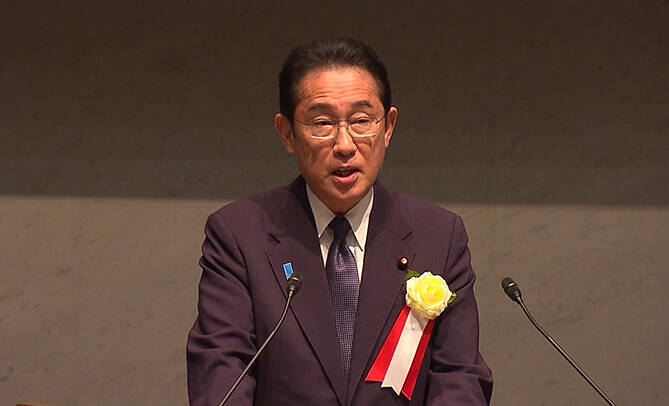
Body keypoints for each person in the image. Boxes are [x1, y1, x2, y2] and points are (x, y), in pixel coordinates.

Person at [186, 38, 492, 405]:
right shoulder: (239, 235)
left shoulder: (438, 236)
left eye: (361, 121)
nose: (345, 144)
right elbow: (220, 374)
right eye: (322, 123)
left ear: (388, 127)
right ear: (287, 133)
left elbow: (459, 378)